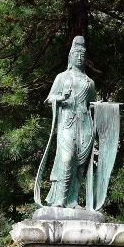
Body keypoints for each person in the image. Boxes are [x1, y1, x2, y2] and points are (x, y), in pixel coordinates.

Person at [41, 36, 96, 208]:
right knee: (67, 158)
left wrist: (103, 108)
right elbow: (49, 99)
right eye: (76, 54)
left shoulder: (90, 82)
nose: (79, 58)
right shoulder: (62, 77)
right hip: (68, 122)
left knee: (80, 163)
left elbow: (92, 104)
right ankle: (60, 199)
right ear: (70, 56)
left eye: (82, 55)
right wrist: (61, 98)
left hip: (85, 124)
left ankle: (73, 200)